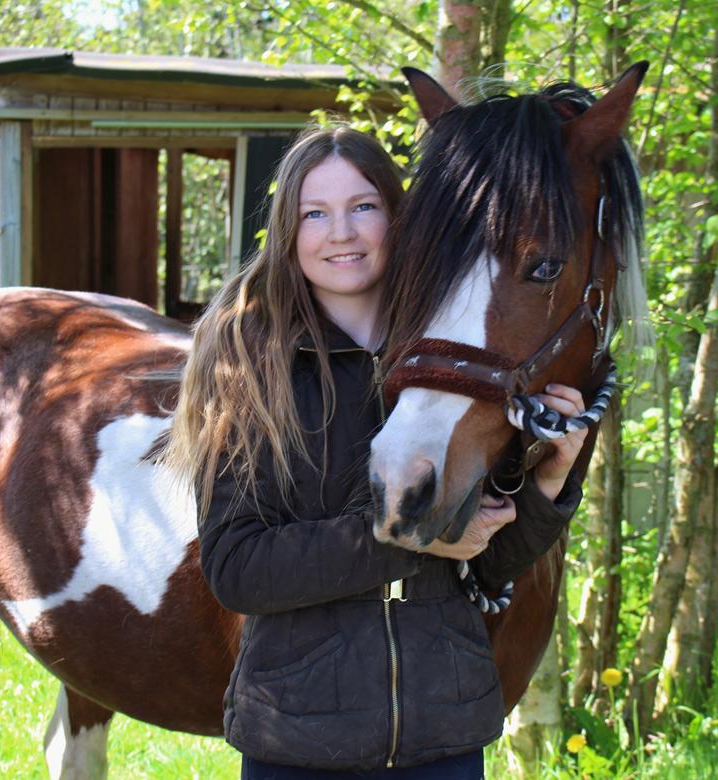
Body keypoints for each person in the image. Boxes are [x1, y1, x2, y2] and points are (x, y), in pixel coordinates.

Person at [167, 126, 589, 779]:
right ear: (290, 231)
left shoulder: (457, 360)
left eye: (363, 206)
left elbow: (490, 557)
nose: (341, 232)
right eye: (315, 213)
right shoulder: (253, 367)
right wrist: (409, 540)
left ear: (401, 220)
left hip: (444, 737)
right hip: (299, 741)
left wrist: (553, 480)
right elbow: (238, 567)